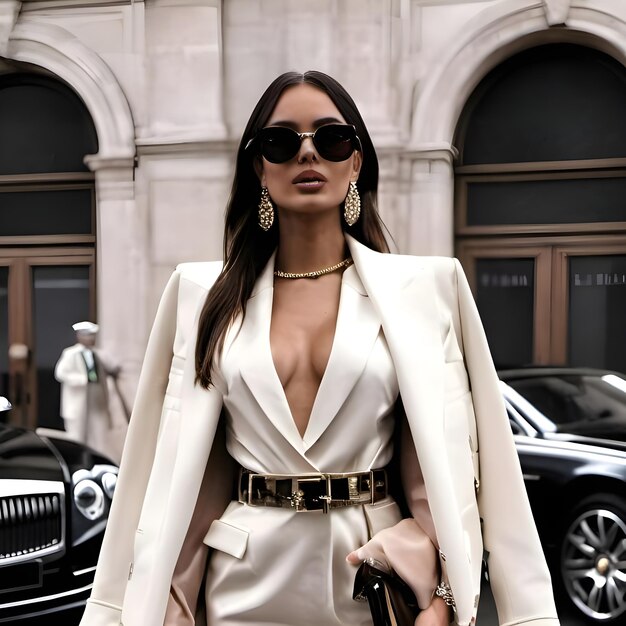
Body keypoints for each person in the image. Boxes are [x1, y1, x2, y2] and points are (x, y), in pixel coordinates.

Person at [80, 72, 560, 626]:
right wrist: (136, 604)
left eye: (330, 138)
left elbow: (463, 463)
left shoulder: (429, 289)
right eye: (281, 142)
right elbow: (162, 467)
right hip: (241, 586)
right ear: (259, 167)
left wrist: (451, 600)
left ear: (356, 161)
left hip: (372, 585)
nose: (307, 152)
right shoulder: (197, 294)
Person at [55, 321, 122, 459]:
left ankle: (95, 460)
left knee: (98, 436)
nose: (92, 339)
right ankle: (76, 461)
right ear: (80, 337)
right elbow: (60, 373)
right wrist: (81, 379)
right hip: (77, 402)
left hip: (96, 402)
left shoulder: (97, 354)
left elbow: (112, 367)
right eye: (88, 336)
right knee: (77, 436)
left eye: (93, 336)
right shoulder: (70, 354)